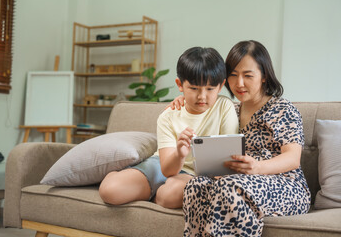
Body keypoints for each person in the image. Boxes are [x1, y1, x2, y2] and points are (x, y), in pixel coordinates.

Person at [169, 40, 311, 236]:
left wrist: (257, 168)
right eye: (233, 75)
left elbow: (292, 159)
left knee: (230, 186)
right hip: (237, 181)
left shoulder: (282, 109)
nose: (239, 83)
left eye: (248, 76)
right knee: (196, 185)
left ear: (264, 76)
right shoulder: (228, 110)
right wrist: (183, 99)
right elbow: (199, 101)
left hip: (286, 187)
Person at [99, 47, 239, 209]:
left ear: (220, 86)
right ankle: (128, 178)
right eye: (194, 88)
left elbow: (227, 159)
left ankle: (152, 193)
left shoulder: (224, 107)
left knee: (168, 197)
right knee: (110, 191)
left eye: (210, 89)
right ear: (180, 85)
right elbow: (166, 169)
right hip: (161, 165)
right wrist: (180, 153)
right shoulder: (169, 115)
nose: (202, 96)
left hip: (193, 174)